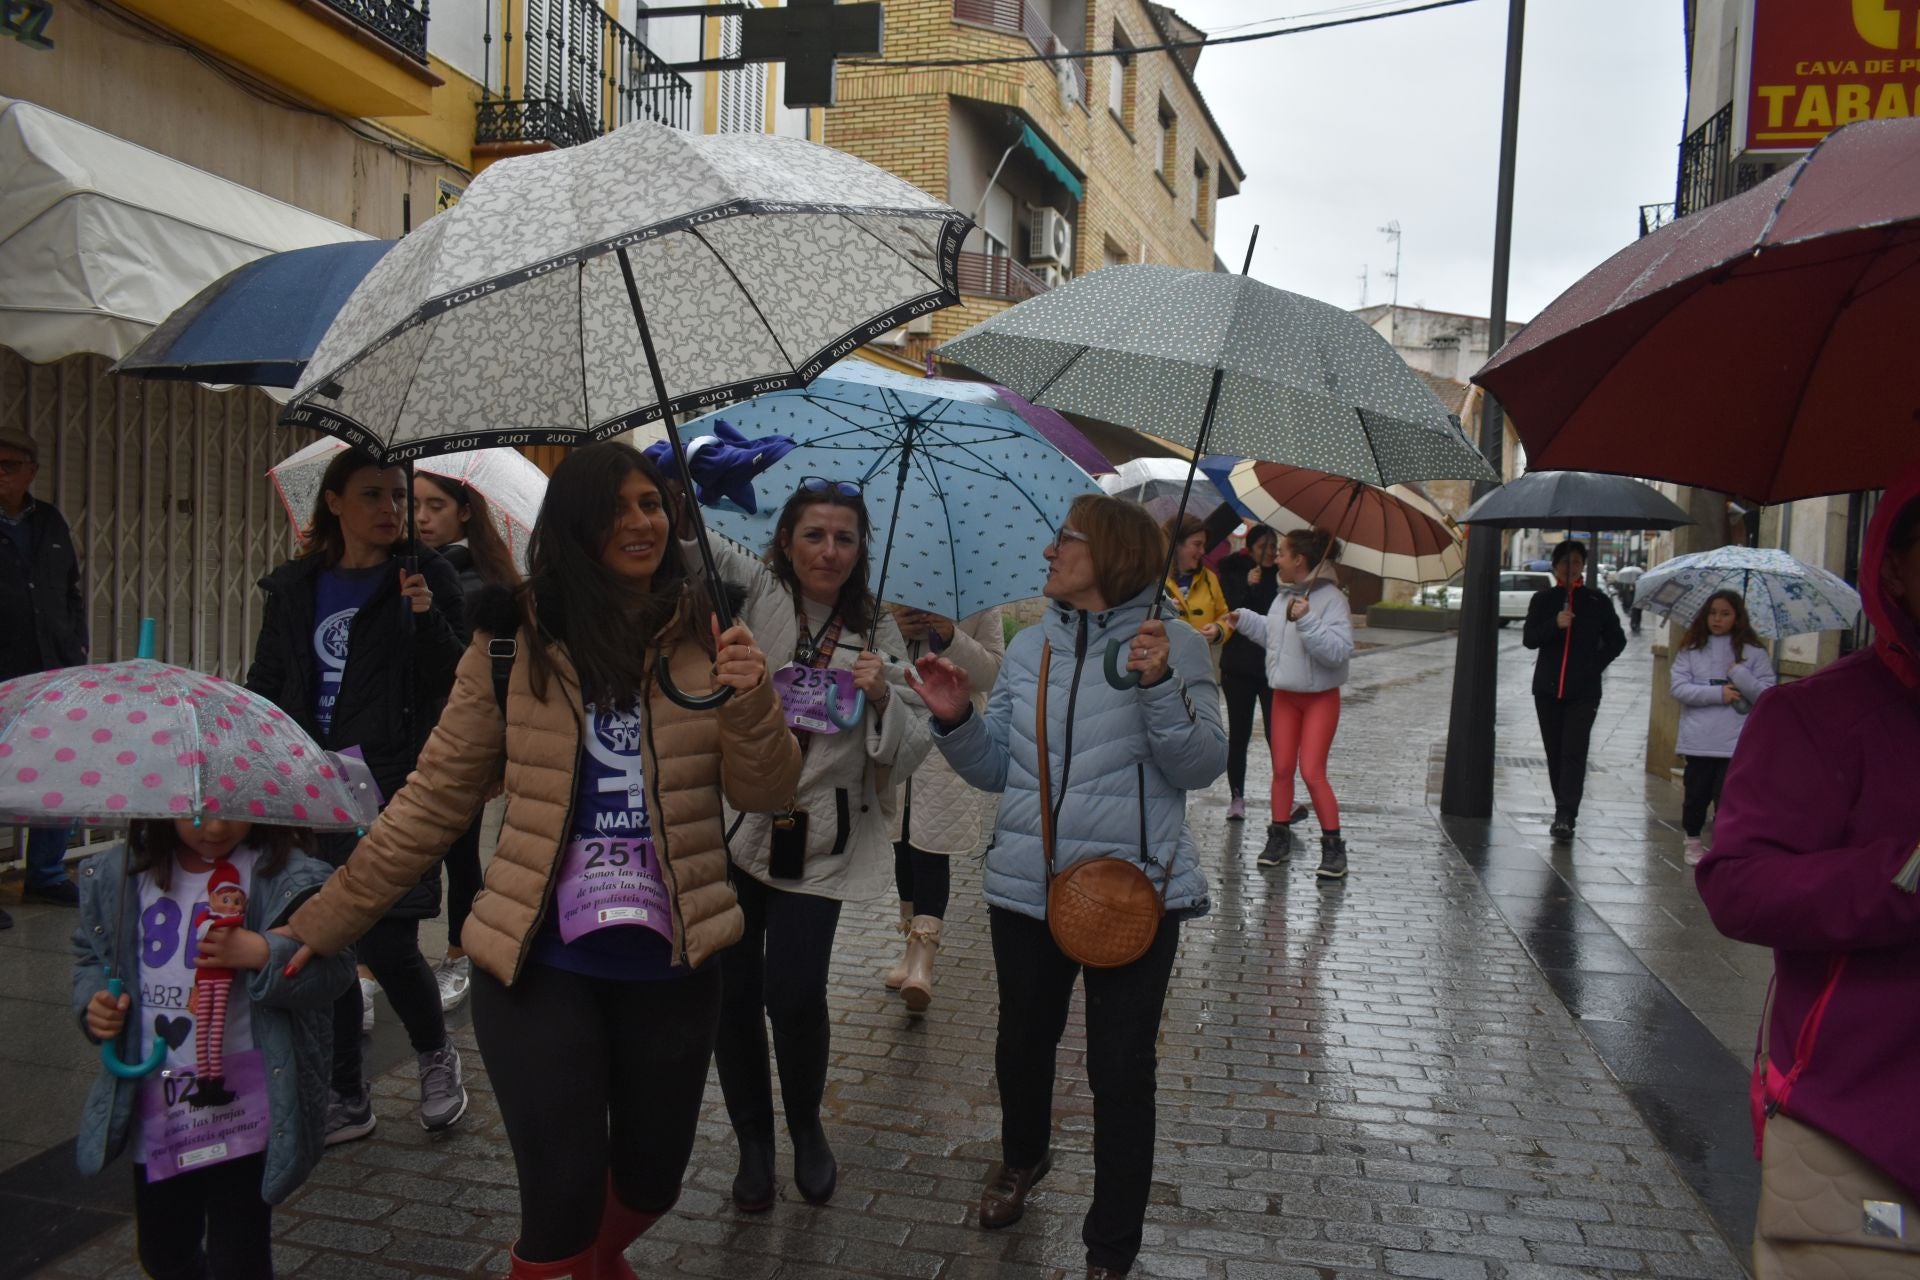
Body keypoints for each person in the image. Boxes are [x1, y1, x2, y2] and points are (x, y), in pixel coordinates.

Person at [279, 443, 801, 1278]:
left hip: (674, 962)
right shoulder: (508, 640)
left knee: (652, 1184)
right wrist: (324, 920)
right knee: (560, 1200)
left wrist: (753, 699)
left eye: (653, 504)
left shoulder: (711, 630)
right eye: (620, 506)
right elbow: (434, 797)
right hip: (539, 961)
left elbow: (768, 789)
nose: (643, 521)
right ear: (574, 525)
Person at [914, 493, 1226, 1280]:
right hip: (1026, 884)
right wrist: (956, 722)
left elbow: (1202, 765)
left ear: (1113, 554)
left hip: (1132, 892)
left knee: (1119, 1070)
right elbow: (998, 772)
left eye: (1065, 541)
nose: (1049, 554)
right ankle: (1023, 1158)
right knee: (1022, 1043)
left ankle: (1110, 1245)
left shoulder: (1177, 646)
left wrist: (1157, 684)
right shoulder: (1030, 651)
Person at [1695, 470, 1920, 1277]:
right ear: (1894, 565)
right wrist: (1904, 878)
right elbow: (1738, 884)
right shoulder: (1820, 718)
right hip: (1862, 1125)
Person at [715, 477, 929, 1213]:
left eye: (845, 536)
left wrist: (881, 696)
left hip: (822, 838)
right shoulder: (754, 596)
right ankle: (753, 1142)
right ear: (785, 541)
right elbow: (693, 551)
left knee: (796, 994)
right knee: (731, 994)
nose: (830, 550)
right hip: (738, 826)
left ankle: (807, 1128)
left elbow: (914, 742)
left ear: (862, 546)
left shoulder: (878, 629)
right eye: (815, 534)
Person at [244, 448, 468, 1142]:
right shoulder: (297, 586)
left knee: (390, 935)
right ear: (334, 502)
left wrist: (426, 618)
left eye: (399, 496)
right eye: (373, 495)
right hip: (311, 784)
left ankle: (435, 1055)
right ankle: (348, 1089)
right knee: (326, 933)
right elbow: (270, 675)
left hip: (396, 782)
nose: (392, 511)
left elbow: (457, 681)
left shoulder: (424, 574)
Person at [73, 817, 353, 1279]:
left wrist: (263, 952)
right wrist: (94, 1003)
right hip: (160, 1103)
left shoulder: (287, 878)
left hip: (246, 1105)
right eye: (197, 812)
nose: (216, 825)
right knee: (163, 1250)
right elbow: (92, 955)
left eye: (232, 806)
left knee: (239, 1255)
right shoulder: (124, 875)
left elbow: (336, 967)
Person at [413, 470, 523, 1013]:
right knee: (403, 847)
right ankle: (384, 961)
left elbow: (467, 666)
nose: (422, 517)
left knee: (459, 851)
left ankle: (459, 949)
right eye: (413, 505)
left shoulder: (482, 583)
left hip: (460, 739)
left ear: (464, 513)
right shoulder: (400, 569)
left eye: (435, 505)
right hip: (405, 732)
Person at [885, 604, 1004, 1011]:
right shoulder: (885, 594)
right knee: (900, 843)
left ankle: (924, 961)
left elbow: (992, 671)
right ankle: (908, 949)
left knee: (931, 848)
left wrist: (952, 636)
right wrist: (892, 627)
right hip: (895, 729)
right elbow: (861, 654)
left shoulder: (981, 601)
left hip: (948, 739)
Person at [1230, 528, 1355, 878]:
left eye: (1282, 553)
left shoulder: (1331, 599)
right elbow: (1274, 636)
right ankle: (1278, 837)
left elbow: (1338, 652)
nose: (1276, 558)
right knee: (1281, 769)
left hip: (1319, 699)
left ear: (1299, 560)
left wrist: (1308, 620)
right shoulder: (1284, 596)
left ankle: (1333, 850)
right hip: (1285, 694)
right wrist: (1243, 619)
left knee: (1312, 772)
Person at [1, 429, 88, 913]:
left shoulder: (49, 521)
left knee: (56, 773)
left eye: (10, 464)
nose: (1, 472)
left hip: (52, 671)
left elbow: (70, 591)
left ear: (32, 471)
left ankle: (47, 874)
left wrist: (77, 646)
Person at [1522, 539, 1626, 841]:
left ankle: (1566, 814)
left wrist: (1593, 665)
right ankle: (1561, 806)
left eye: (1577, 562)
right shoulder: (1543, 600)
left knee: (1573, 753)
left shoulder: (1597, 601)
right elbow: (1530, 639)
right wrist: (1555, 623)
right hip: (1547, 690)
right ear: (1555, 566)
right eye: (1566, 562)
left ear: (1583, 566)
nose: (1572, 568)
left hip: (1584, 692)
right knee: (1555, 753)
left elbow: (1617, 641)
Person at [1668, 590, 1775, 867]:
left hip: (1736, 740)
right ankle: (1692, 840)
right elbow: (1679, 688)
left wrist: (1740, 673)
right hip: (1699, 738)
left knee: (1727, 798)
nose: (1717, 619)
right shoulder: (1691, 650)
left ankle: (1723, 843)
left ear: (1737, 617)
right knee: (1696, 795)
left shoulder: (1753, 653)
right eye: (1713, 613)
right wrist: (1718, 694)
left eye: (1725, 614)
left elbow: (1767, 695)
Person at [1216, 525, 1279, 822]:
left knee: (1276, 735)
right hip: (1239, 668)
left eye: (1273, 547)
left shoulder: (1281, 577)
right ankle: (1236, 797)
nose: (1269, 553)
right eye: (1263, 547)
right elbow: (1231, 609)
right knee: (1239, 736)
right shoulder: (1233, 568)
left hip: (1271, 671)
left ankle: (1283, 797)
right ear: (1251, 547)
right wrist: (1247, 585)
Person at [1163, 513, 1233, 657]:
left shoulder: (1209, 578)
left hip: (1198, 665)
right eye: (1197, 544)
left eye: (1203, 545)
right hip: (1162, 665)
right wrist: (1160, 610)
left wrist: (1218, 629)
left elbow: (1224, 616)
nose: (1202, 551)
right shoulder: (1154, 578)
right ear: (1177, 544)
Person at [1612, 561, 1646, 634]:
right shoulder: (1629, 584)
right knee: (1635, 612)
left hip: (1639, 600)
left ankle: (1637, 624)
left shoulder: (1639, 582)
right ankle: (1634, 624)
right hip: (1634, 600)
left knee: (1638, 612)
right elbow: (1626, 593)